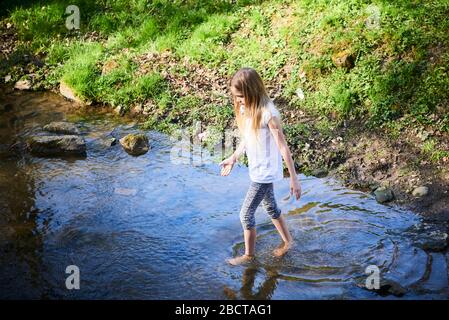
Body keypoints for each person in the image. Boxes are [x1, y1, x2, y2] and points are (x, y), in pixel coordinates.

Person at [220, 67, 301, 265]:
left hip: (264, 173)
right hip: (257, 168)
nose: (238, 101)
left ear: (252, 91)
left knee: (245, 214)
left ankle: (248, 256)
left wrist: (294, 178)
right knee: (270, 206)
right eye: (236, 97)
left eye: (241, 96)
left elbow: (283, 147)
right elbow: (247, 138)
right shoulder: (246, 108)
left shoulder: (268, 114)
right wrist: (234, 157)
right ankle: (289, 242)